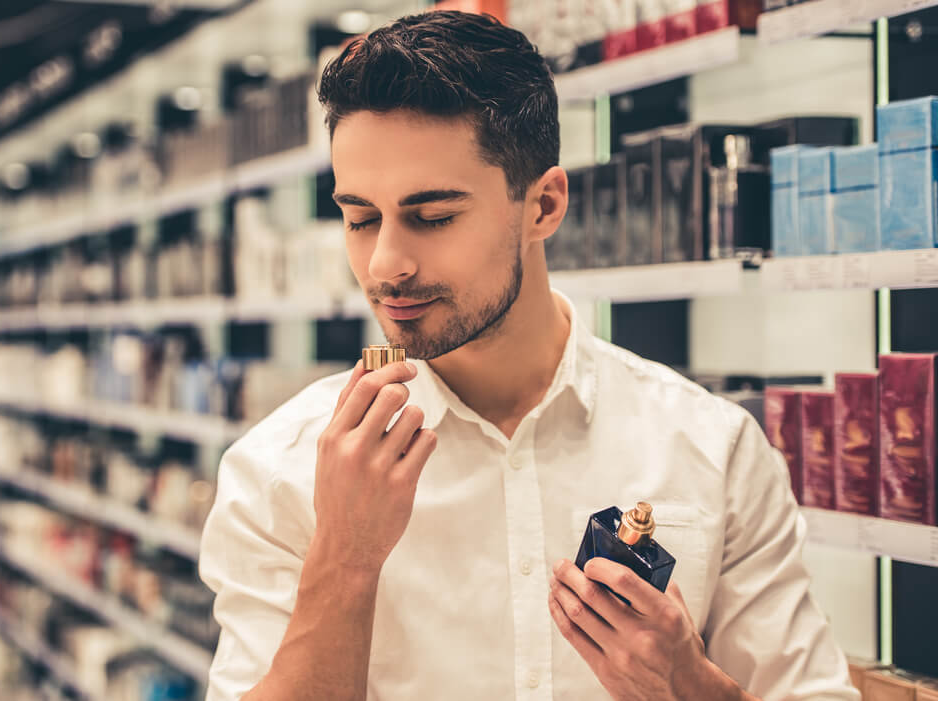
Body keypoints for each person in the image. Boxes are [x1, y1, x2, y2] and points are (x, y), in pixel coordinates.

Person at [199, 10, 859, 701]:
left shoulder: (712, 449)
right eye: (361, 218)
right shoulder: (280, 471)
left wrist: (690, 684)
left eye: (432, 216)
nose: (385, 263)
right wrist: (344, 559)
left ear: (542, 205)